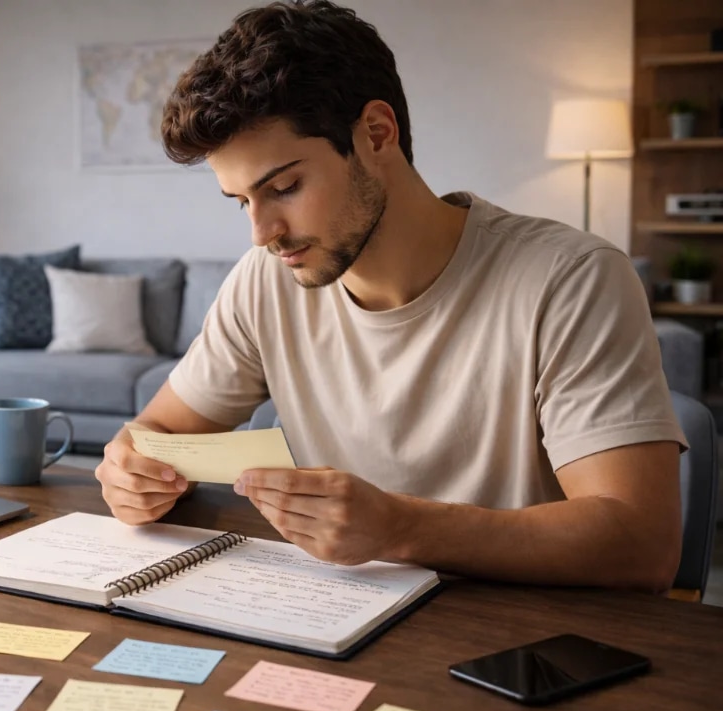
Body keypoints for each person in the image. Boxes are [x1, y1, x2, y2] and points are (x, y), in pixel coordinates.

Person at [94, 0, 686, 592]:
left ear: (376, 134)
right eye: (242, 201)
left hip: (518, 629)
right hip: (332, 618)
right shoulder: (264, 281)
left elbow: (642, 544)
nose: (262, 233)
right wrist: (131, 472)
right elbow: (158, 431)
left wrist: (401, 527)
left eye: (285, 187)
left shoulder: (571, 279)